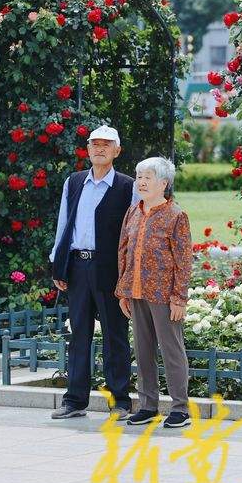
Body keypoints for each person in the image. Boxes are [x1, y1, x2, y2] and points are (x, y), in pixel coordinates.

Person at [49, 125, 139, 419]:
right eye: (94, 144)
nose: (99, 149)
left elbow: (133, 233)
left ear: (117, 150)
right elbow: (65, 225)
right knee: (79, 334)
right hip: (77, 265)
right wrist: (58, 263)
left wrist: (128, 272)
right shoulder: (74, 182)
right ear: (87, 149)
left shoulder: (128, 186)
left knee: (115, 335)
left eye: (106, 144)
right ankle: (74, 401)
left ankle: (121, 402)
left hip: (110, 268)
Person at [116, 157, 194, 428]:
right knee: (143, 351)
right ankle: (148, 406)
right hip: (136, 293)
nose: (141, 182)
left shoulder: (176, 215)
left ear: (164, 183)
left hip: (164, 296)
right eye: (139, 176)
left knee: (172, 351)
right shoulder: (133, 212)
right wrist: (124, 291)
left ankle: (180, 408)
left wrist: (179, 298)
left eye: (148, 177)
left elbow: (184, 261)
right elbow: (123, 252)